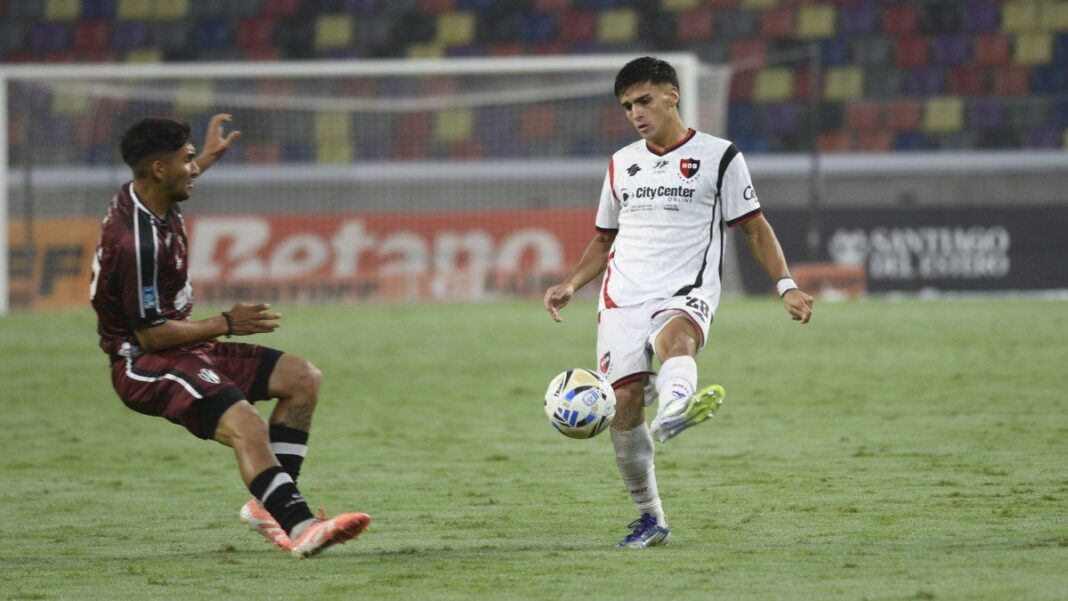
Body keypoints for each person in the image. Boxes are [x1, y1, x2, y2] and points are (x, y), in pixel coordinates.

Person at [543, 57, 814, 549]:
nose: (636, 113)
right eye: (627, 106)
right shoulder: (622, 164)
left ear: (672, 94)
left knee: (676, 339)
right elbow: (603, 240)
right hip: (622, 294)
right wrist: (571, 284)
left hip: (685, 287)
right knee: (623, 406)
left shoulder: (720, 156)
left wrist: (786, 284)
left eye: (644, 100)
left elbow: (755, 227)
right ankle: (651, 518)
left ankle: (675, 408)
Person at [90, 115, 370, 558]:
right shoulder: (136, 242)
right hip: (144, 361)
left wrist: (206, 157)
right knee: (246, 425)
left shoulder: (150, 190)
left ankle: (269, 506)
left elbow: (174, 174)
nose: (194, 170)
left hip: (185, 346)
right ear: (161, 169)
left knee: (302, 378)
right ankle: (299, 526)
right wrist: (226, 322)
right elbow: (151, 335)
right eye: (187, 160)